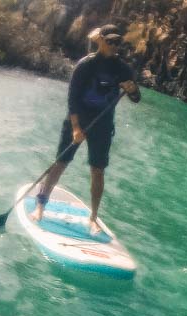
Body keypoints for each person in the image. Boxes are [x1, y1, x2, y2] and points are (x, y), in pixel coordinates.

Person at [32, 24, 141, 233]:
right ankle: (40, 206)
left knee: (98, 170)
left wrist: (133, 89)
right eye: (110, 41)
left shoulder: (123, 69)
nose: (114, 46)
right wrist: (75, 128)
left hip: (103, 124)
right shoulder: (86, 65)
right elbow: (72, 98)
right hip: (78, 120)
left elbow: (136, 98)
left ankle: (93, 218)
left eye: (118, 42)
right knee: (60, 163)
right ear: (100, 40)